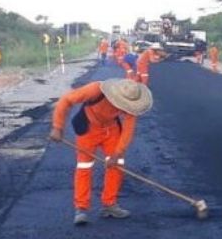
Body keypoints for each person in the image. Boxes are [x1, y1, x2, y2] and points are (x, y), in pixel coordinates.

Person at [48, 79, 153, 226]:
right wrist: (57, 127)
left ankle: (109, 205)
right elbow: (66, 100)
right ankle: (81, 208)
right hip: (89, 129)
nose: (124, 108)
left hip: (112, 129)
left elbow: (128, 129)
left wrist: (117, 154)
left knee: (117, 165)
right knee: (84, 167)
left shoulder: (132, 104)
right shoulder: (95, 90)